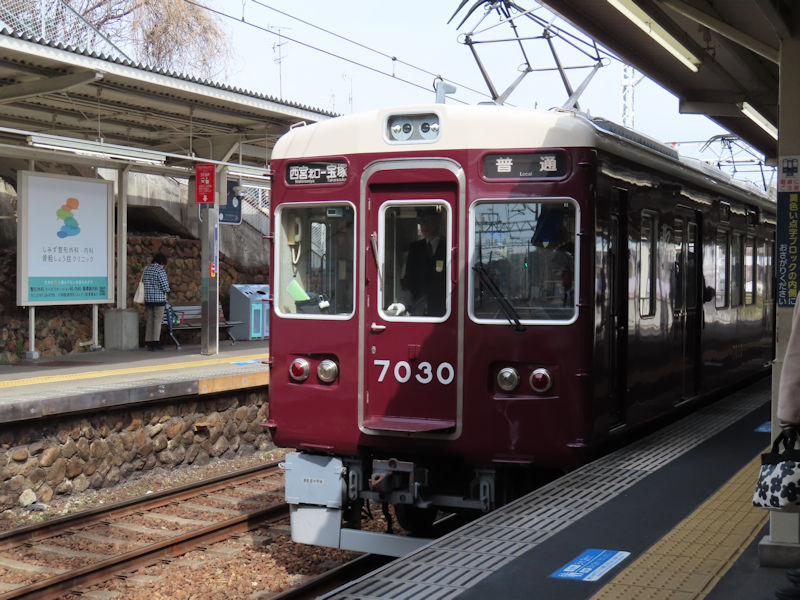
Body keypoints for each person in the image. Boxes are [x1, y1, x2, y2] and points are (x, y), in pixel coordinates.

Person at [398, 207, 447, 317]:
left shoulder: (447, 247)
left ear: (437, 223)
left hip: (442, 313)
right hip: (418, 311)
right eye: (422, 222)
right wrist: (402, 303)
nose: (424, 226)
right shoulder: (415, 248)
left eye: (428, 221)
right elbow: (408, 280)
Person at [141, 252, 170, 351]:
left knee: (150, 320)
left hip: (148, 299)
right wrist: (168, 290)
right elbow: (165, 286)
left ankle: (148, 342)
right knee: (157, 321)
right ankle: (155, 342)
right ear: (162, 262)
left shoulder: (146, 269)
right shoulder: (160, 270)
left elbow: (143, 282)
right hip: (158, 300)